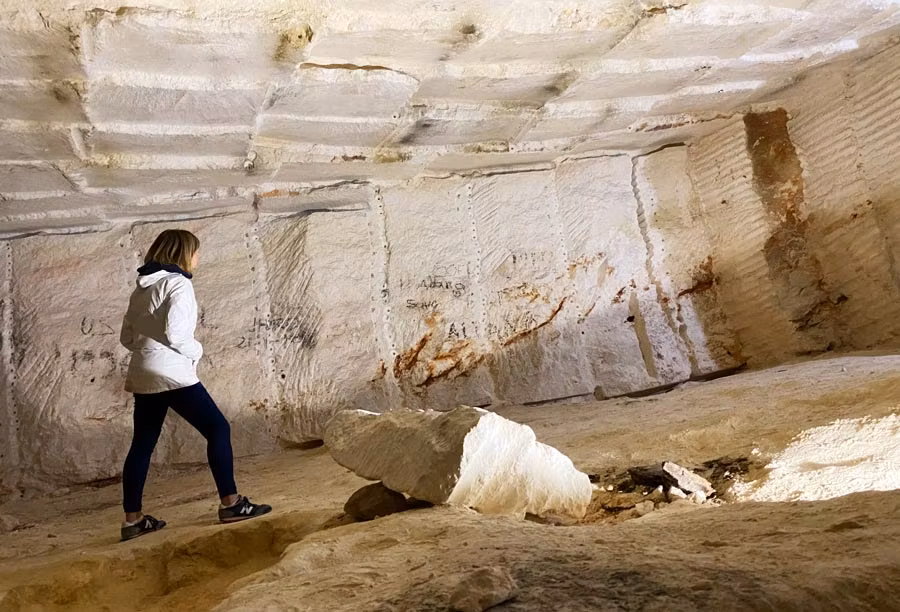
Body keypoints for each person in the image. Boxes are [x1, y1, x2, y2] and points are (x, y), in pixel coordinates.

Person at [118, 229, 271, 542]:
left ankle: (132, 521)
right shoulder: (178, 284)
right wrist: (197, 352)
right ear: (183, 253)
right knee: (218, 429)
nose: (197, 258)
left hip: (143, 372)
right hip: (172, 373)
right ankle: (231, 504)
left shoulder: (142, 288)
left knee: (142, 444)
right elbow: (177, 336)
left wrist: (150, 350)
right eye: (196, 252)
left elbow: (127, 338)